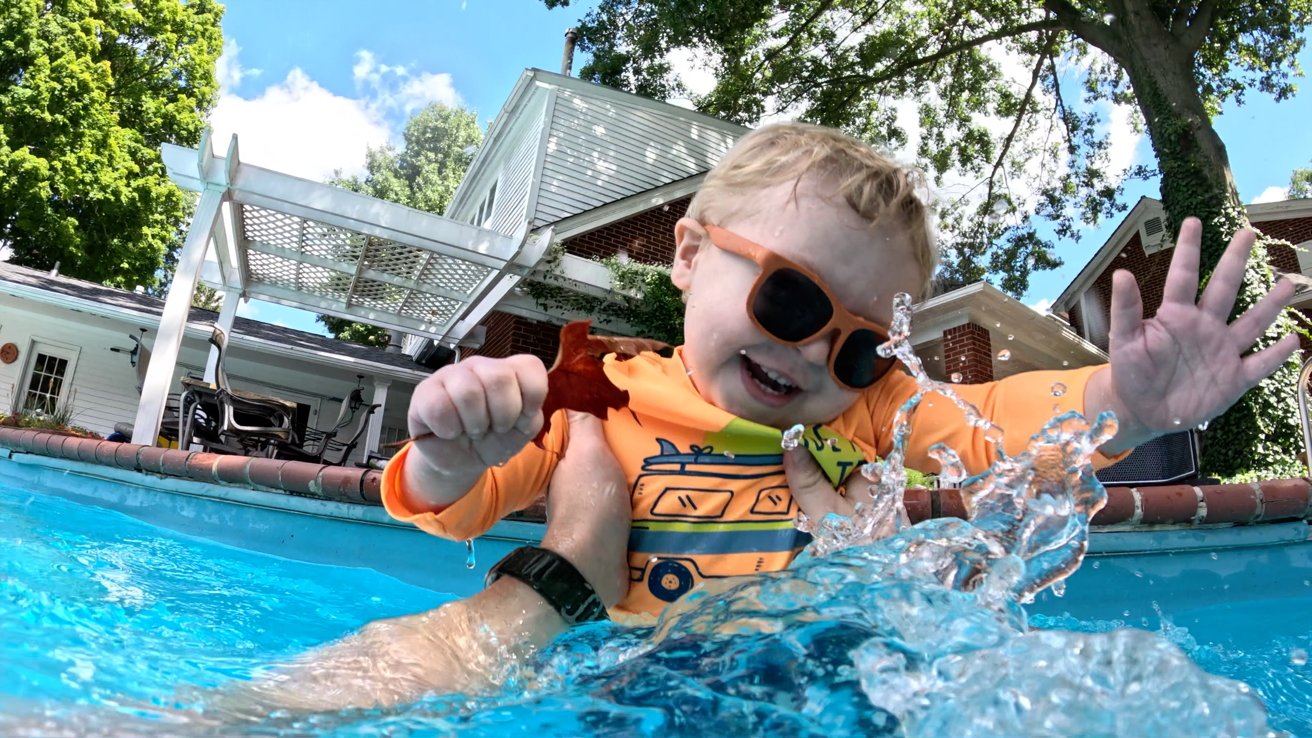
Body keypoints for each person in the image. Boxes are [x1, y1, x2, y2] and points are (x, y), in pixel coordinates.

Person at [385, 122, 1298, 617]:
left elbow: (994, 425)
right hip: (615, 687)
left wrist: (1120, 401)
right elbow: (455, 509)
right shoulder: (605, 396)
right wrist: (452, 447)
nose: (818, 353)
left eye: (863, 344)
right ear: (689, 255)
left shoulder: (865, 414)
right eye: (791, 300)